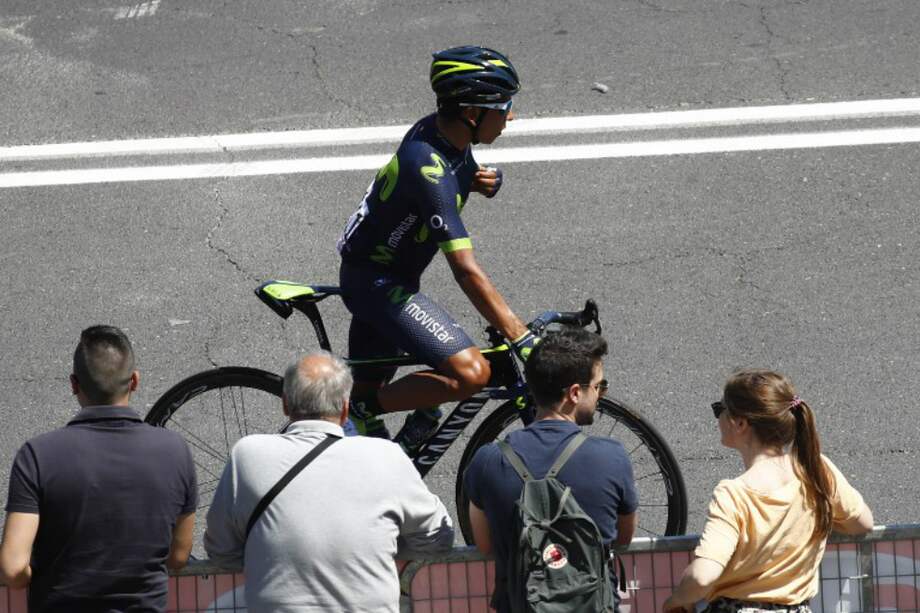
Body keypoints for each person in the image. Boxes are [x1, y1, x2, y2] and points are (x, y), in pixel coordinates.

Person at [336, 45, 537, 450]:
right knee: (471, 373)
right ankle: (362, 413)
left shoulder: (440, 133)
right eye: (504, 105)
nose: (511, 115)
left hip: (386, 275)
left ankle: (373, 421)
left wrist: (476, 178)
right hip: (377, 284)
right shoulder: (427, 168)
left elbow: (452, 171)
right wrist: (521, 336)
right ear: (471, 113)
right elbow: (464, 268)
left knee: (372, 447)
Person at [203, 350, 455, 613]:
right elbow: (438, 539)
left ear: (285, 405)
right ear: (345, 409)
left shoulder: (248, 454)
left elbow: (222, 551)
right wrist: (381, 546)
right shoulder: (387, 456)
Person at [0, 325, 197, 612]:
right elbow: (179, 556)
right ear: (135, 381)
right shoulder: (175, 451)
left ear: (74, 384)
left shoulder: (38, 455)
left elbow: (13, 569)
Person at [663, 369, 874, 613]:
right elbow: (863, 523)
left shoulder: (734, 494)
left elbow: (702, 577)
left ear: (740, 423)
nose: (718, 418)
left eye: (719, 409)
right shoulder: (818, 471)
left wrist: (677, 600)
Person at [463, 327, 639, 612]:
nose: (600, 395)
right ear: (573, 393)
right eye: (598, 387)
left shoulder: (487, 462)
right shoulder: (612, 458)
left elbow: (485, 545)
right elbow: (623, 538)